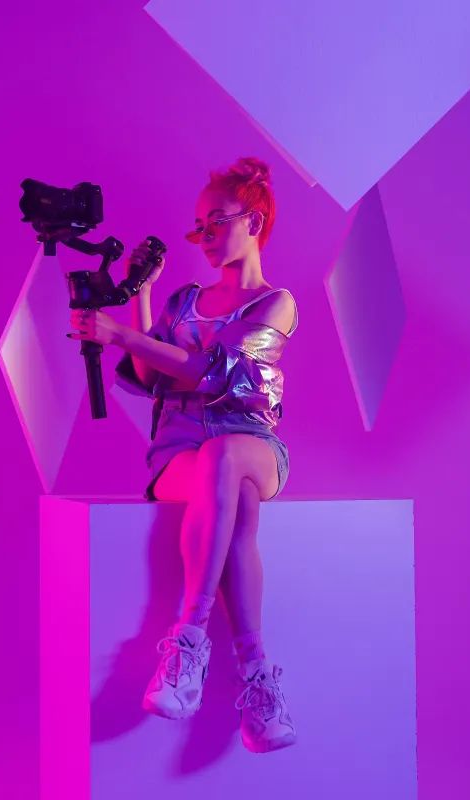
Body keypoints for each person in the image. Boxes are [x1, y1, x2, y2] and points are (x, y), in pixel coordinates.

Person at [67, 156, 298, 754]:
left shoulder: (278, 303)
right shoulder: (187, 298)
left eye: (216, 222)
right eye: (198, 227)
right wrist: (141, 299)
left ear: (255, 217)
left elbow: (210, 373)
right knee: (238, 508)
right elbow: (151, 375)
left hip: (253, 443)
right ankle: (256, 677)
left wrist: (118, 333)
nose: (204, 238)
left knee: (229, 456)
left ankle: (189, 640)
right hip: (181, 451)